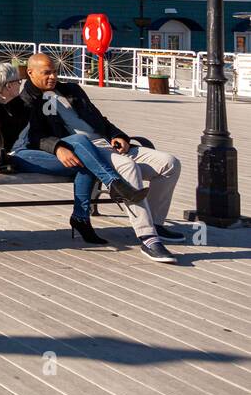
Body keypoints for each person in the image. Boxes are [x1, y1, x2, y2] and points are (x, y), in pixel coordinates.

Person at [12, 53, 178, 262]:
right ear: (30, 72)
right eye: (46, 73)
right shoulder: (28, 100)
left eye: (55, 71)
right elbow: (35, 136)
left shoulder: (71, 90)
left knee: (169, 163)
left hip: (108, 144)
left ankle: (156, 222)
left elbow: (100, 119)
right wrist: (57, 148)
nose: (53, 76)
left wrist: (117, 135)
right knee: (128, 167)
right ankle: (148, 237)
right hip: (87, 151)